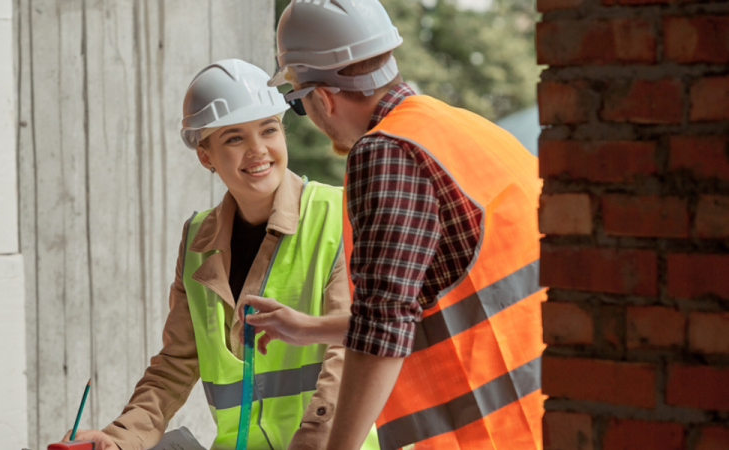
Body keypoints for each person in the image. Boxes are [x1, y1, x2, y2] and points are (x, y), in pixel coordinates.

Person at [241, 1, 546, 449]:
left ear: (323, 97)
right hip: (554, 413)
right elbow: (443, 300)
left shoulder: (385, 152)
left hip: (492, 434)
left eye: (301, 107)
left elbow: (385, 326)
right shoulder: (462, 128)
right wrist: (311, 328)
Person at [61, 59, 379, 450]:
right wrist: (118, 438)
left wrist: (314, 441)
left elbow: (348, 352)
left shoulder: (338, 214)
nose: (258, 150)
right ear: (206, 156)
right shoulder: (197, 241)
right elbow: (175, 365)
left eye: (268, 129)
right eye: (234, 138)